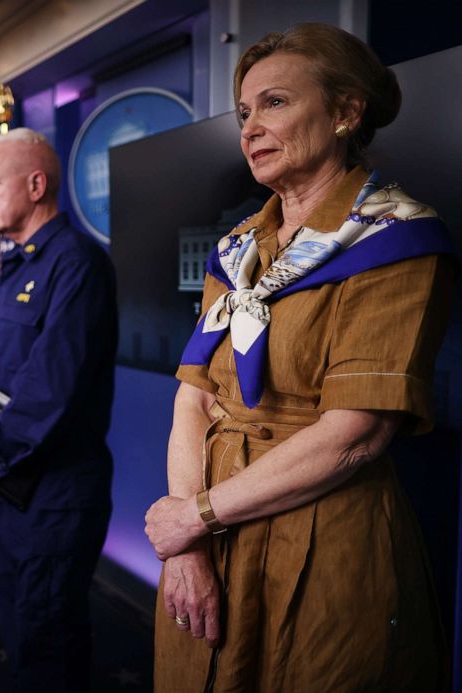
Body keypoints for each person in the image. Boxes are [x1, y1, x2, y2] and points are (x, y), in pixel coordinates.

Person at [144, 23, 455, 691]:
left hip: (323, 534)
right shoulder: (234, 251)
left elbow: (354, 436)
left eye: (276, 102)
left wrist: (193, 517)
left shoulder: (398, 239)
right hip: (206, 532)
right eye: (245, 112)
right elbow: (194, 397)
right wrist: (187, 539)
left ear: (346, 112)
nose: (251, 127)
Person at [0, 127, 118, 690]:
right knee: (20, 623)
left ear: (37, 183)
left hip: (54, 494)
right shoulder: (18, 266)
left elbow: (51, 386)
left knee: (46, 634)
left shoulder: (77, 264)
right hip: (12, 487)